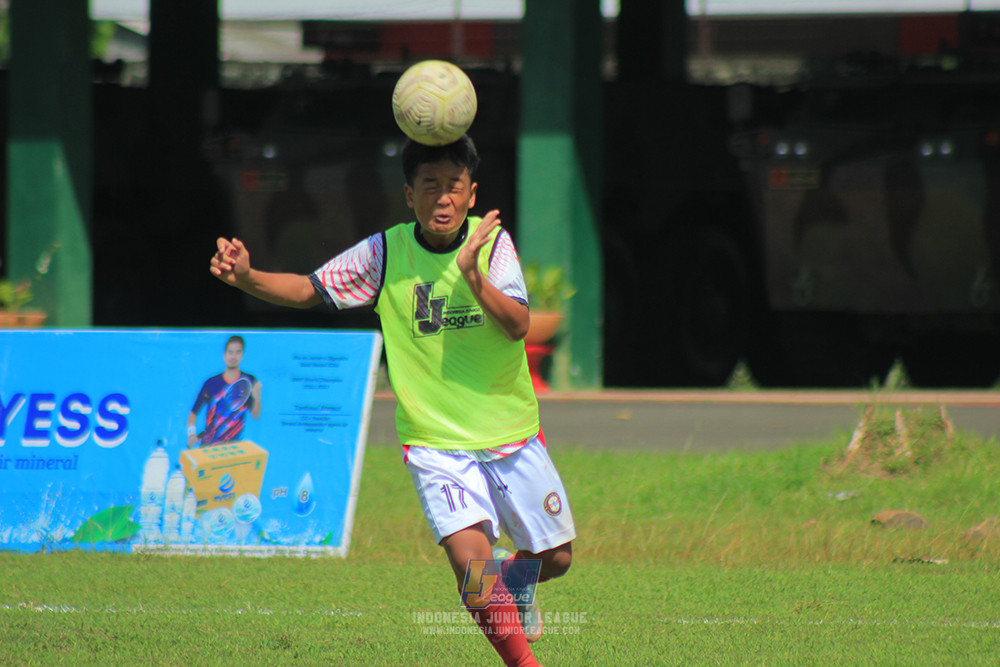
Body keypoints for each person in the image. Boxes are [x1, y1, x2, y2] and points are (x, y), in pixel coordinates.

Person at [209, 135, 575, 667]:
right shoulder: (385, 255)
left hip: (510, 432)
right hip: (435, 444)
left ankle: (517, 582)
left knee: (557, 557)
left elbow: (519, 325)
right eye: (430, 186)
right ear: (409, 196)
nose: (443, 198)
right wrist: (247, 276)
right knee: (473, 571)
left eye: (454, 186)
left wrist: (471, 273)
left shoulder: (493, 245)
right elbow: (310, 288)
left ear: (472, 194)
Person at [187, 335, 262, 447]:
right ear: (224, 355)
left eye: (237, 352)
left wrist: (257, 395)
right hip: (209, 446)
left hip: (234, 448)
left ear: (242, 355)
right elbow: (193, 413)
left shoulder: (249, 381)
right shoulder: (211, 383)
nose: (233, 356)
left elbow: (255, 415)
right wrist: (191, 434)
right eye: (230, 352)